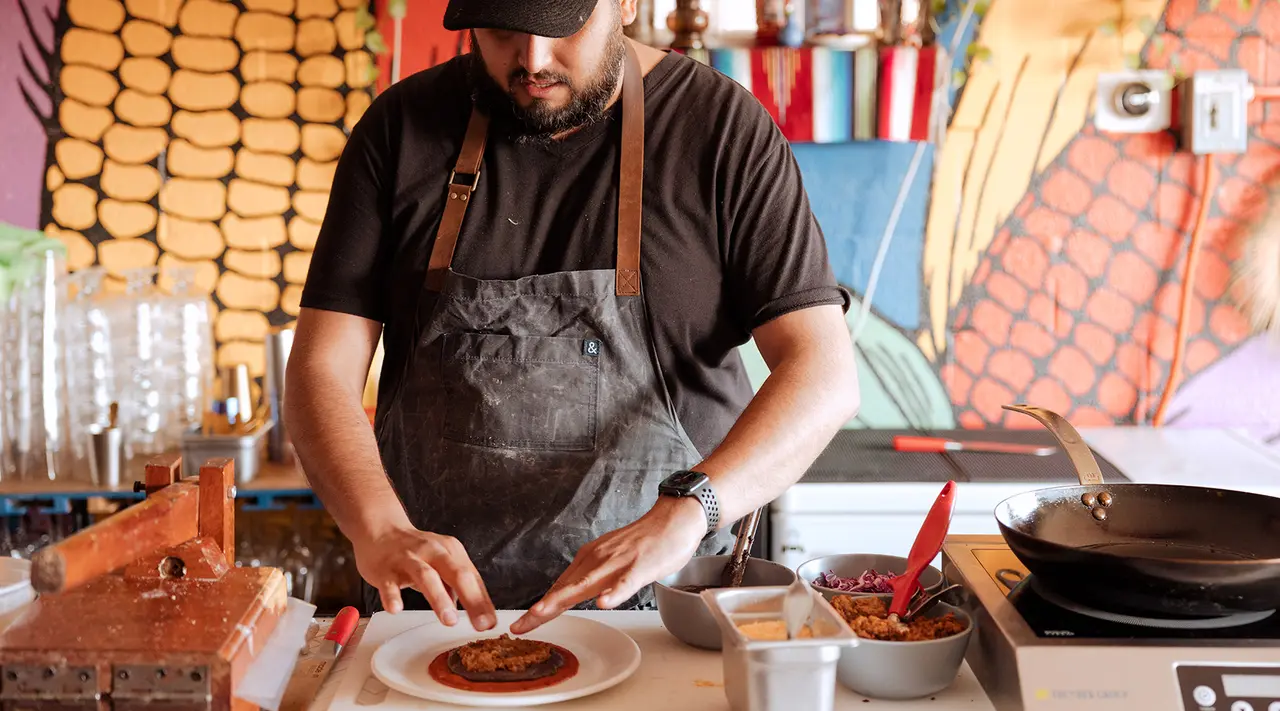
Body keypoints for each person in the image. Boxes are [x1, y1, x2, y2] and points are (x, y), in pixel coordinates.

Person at [285, 0, 860, 635]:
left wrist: (690, 510)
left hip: (663, 617)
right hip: (435, 623)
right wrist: (379, 527)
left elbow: (823, 372)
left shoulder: (720, 130)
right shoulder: (400, 130)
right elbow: (320, 367)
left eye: (562, 28)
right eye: (502, 31)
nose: (531, 61)